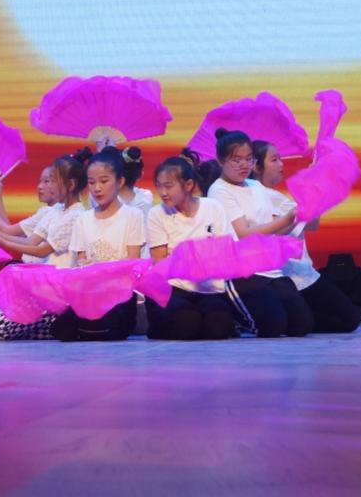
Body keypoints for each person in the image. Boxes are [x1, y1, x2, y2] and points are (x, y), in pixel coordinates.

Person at [205, 129, 313, 338]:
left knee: (302, 325)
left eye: (248, 159)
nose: (244, 165)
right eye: (236, 160)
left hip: (270, 269)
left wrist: (301, 214)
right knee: (272, 327)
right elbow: (244, 234)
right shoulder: (219, 190)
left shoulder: (256, 186)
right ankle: (233, 317)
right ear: (220, 161)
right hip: (243, 272)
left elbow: (276, 228)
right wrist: (287, 218)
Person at [251, 140, 361, 333]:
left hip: (302, 274)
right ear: (256, 166)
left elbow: (311, 222)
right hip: (292, 275)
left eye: (280, 159)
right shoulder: (262, 196)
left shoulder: (272, 196)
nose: (281, 164)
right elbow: (307, 223)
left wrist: (315, 184)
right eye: (274, 160)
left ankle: (291, 318)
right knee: (348, 318)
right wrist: (315, 183)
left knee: (347, 317)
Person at [0, 151, 88, 340]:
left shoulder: (76, 215)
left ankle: (55, 324)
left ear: (70, 185)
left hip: (58, 288)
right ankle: (50, 325)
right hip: (42, 284)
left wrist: (1, 239)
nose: (48, 186)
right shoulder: (55, 211)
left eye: (53, 180)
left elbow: (42, 250)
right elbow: (30, 241)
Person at [144, 150, 238, 340]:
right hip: (173, 288)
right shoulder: (156, 214)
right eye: (159, 186)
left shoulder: (213, 207)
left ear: (188, 185)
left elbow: (225, 251)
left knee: (218, 324)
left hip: (208, 288)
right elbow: (160, 263)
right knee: (186, 322)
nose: (163, 193)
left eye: (168, 186)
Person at [55, 148, 146, 341]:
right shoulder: (83, 219)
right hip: (89, 293)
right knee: (62, 328)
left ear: (119, 182)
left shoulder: (133, 216)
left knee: (109, 325)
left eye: (104, 181)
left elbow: (132, 265)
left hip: (119, 295)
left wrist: (99, 270)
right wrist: (86, 269)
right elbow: (80, 263)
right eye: (91, 182)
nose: (97, 188)